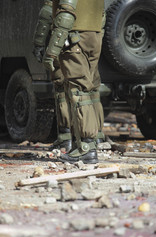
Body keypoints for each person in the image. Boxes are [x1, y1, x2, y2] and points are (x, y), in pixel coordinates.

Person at [33, 0, 105, 163]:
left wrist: (50, 51)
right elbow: (102, 14)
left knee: (78, 91)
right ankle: (92, 140)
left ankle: (86, 148)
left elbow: (64, 13)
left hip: (73, 35)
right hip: (93, 35)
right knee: (89, 89)